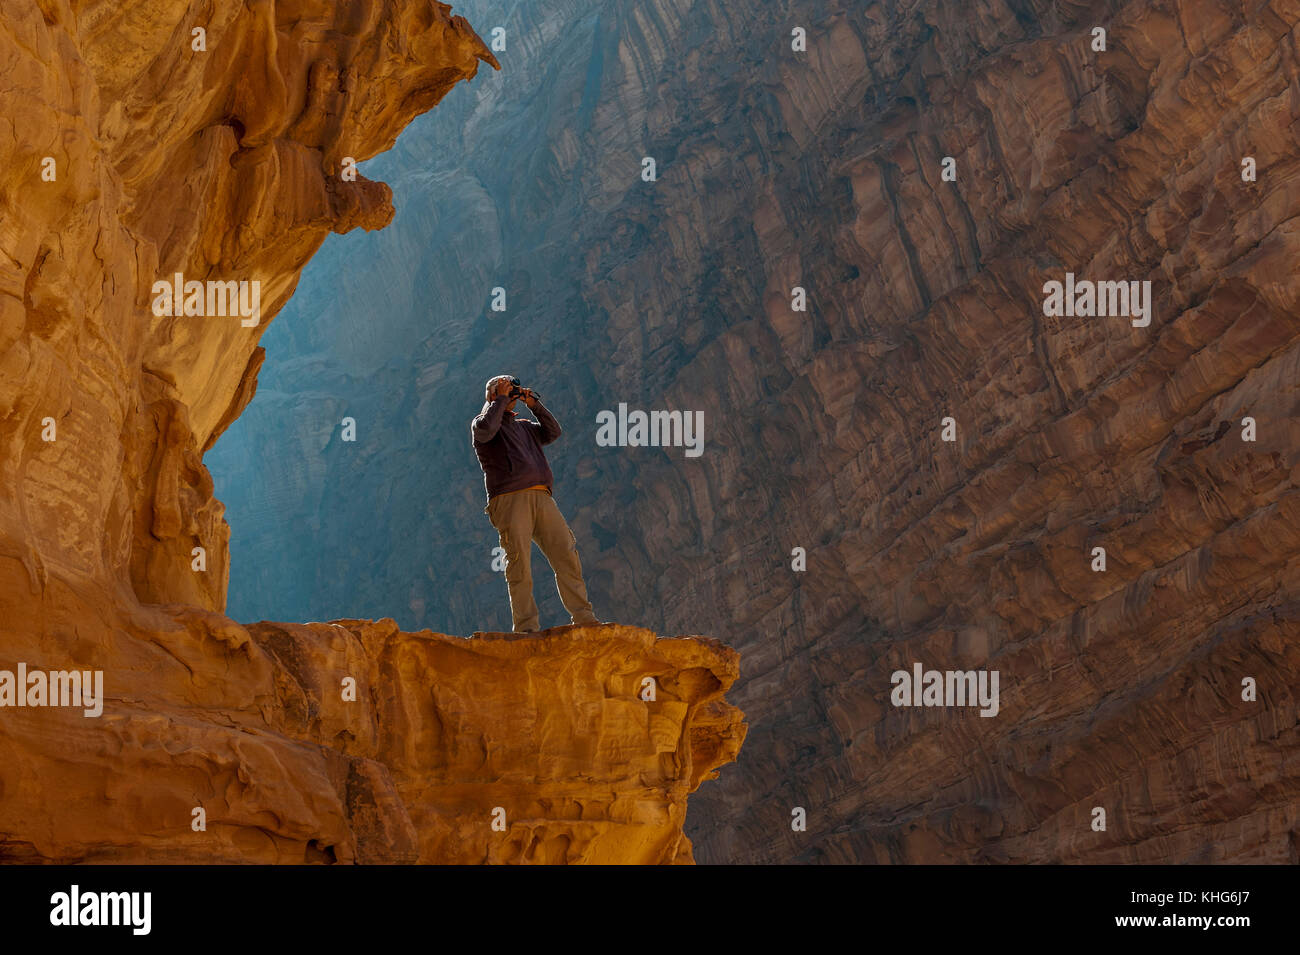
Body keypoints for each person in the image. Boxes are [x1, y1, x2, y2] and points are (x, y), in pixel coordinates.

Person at [471, 375, 600, 632]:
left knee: (565, 550)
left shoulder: (524, 427)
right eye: (505, 389)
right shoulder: (481, 424)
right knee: (518, 562)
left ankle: (584, 618)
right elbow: (487, 429)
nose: (511, 394)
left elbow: (553, 432)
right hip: (508, 498)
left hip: (541, 496)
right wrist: (500, 400)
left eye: (512, 389)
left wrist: (534, 405)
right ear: (492, 396)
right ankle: (526, 627)